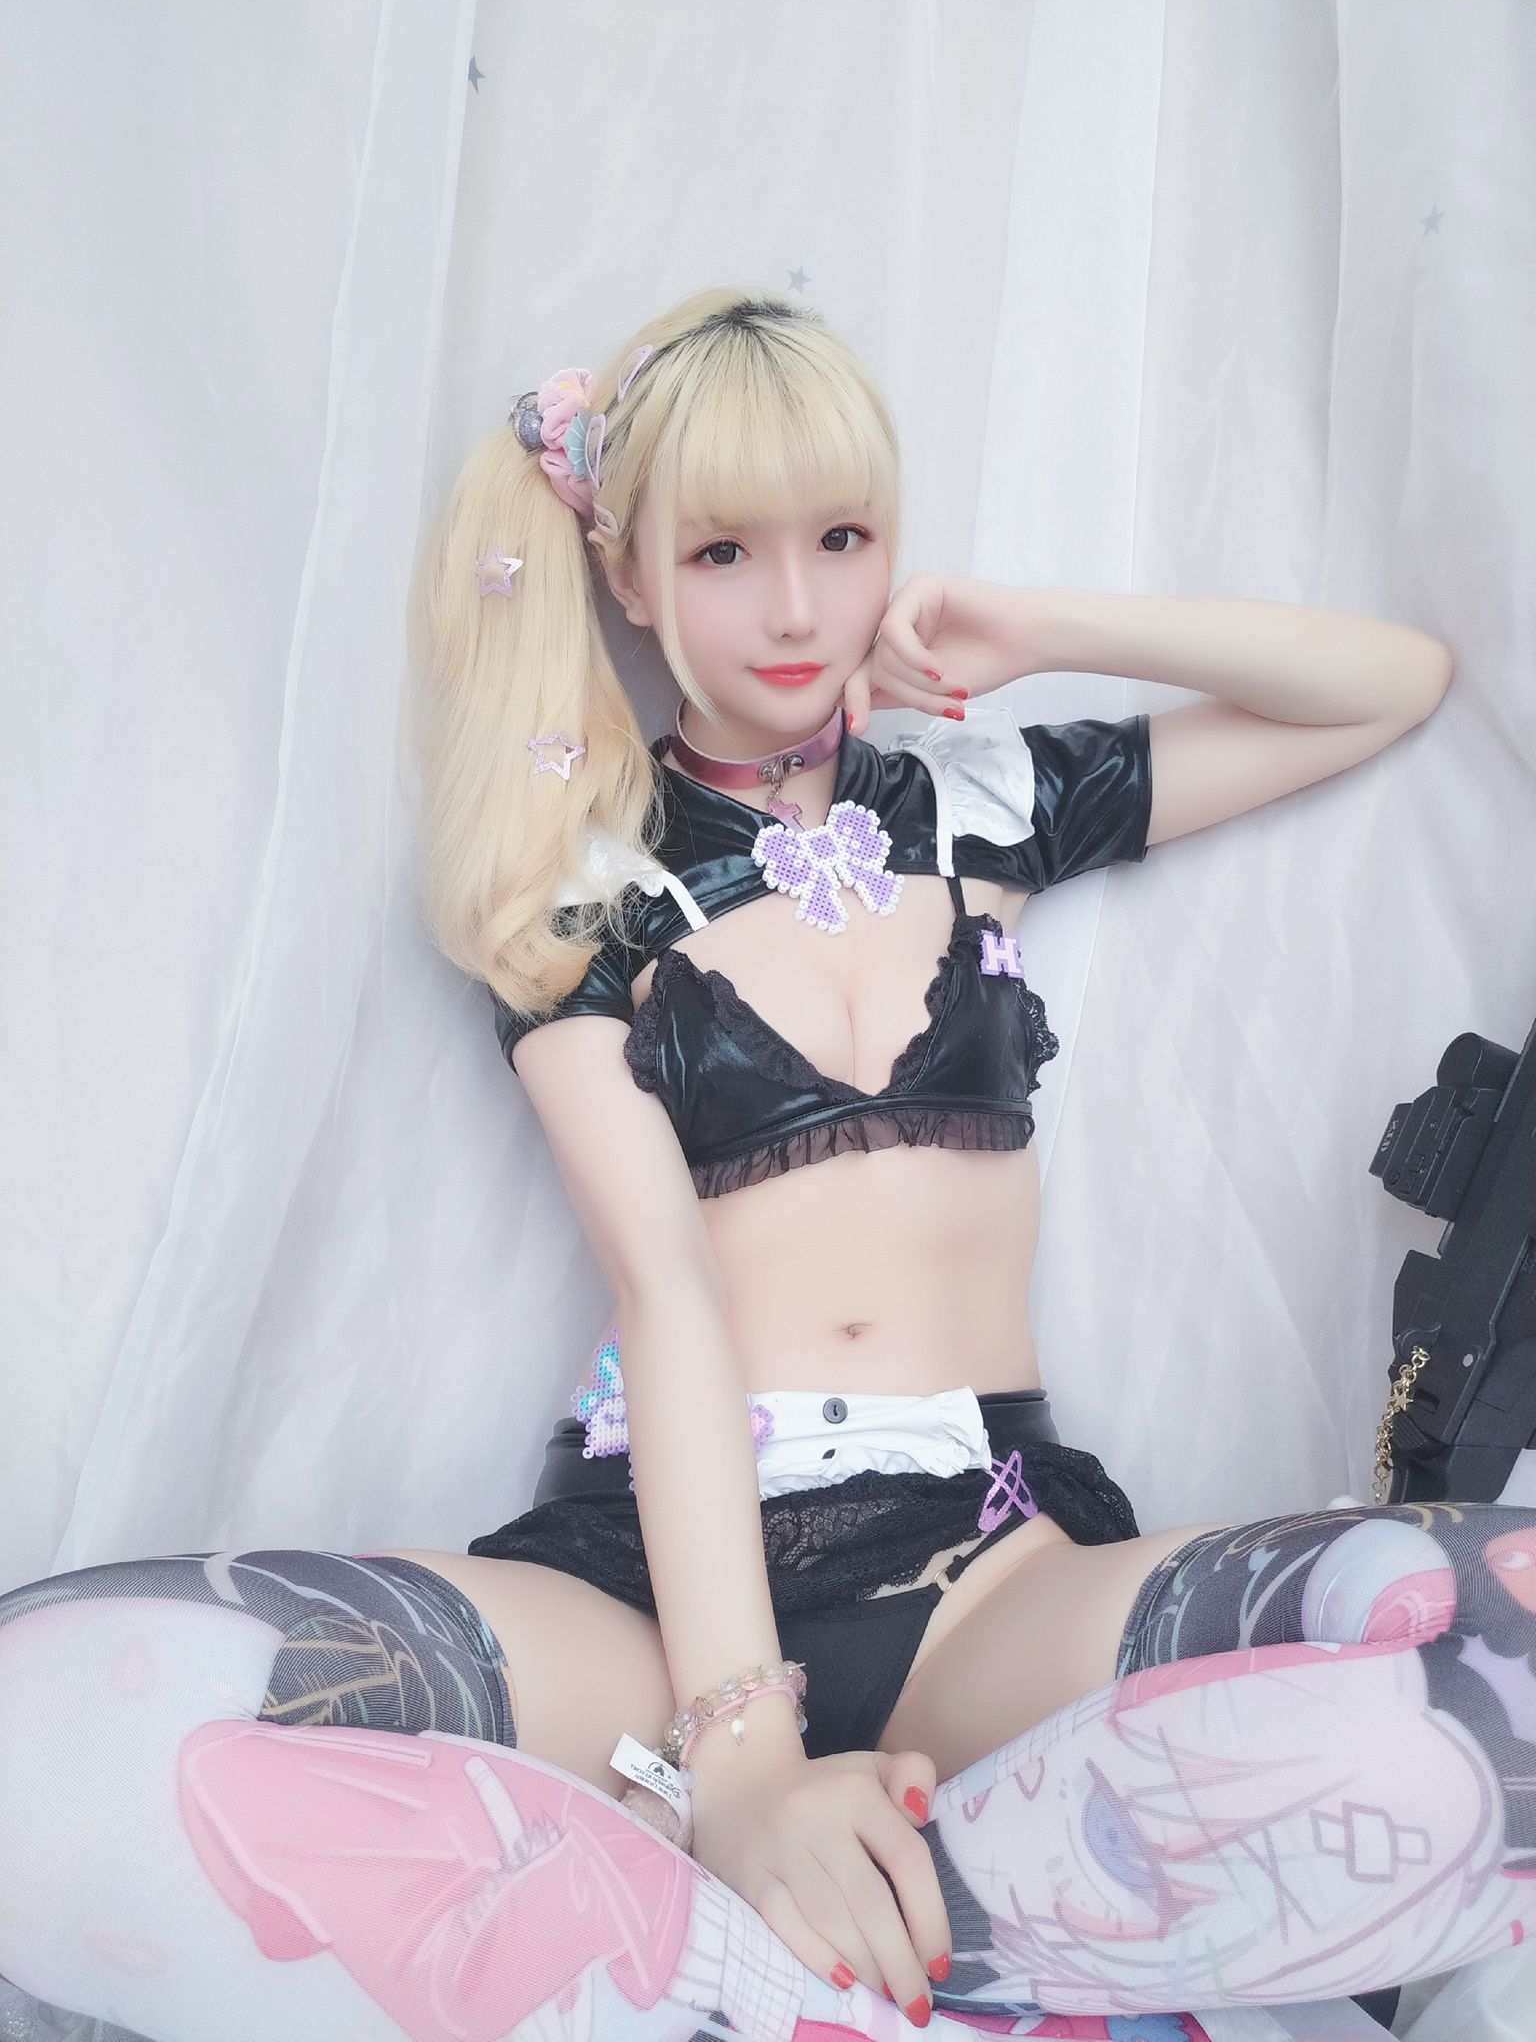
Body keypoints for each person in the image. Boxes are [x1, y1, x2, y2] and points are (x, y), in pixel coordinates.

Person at [1, 285, 1531, 2042]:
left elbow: (1387, 687)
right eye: (726, 551)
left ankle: (882, 1948)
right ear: (630, 573)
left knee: (1499, 1659)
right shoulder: (576, 885)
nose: (798, 607)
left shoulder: (976, 805)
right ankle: (756, 1925)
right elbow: (666, 1295)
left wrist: (1039, 627)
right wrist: (737, 1761)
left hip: (981, 1571)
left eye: (843, 539)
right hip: (648, 1601)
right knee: (46, 1727)